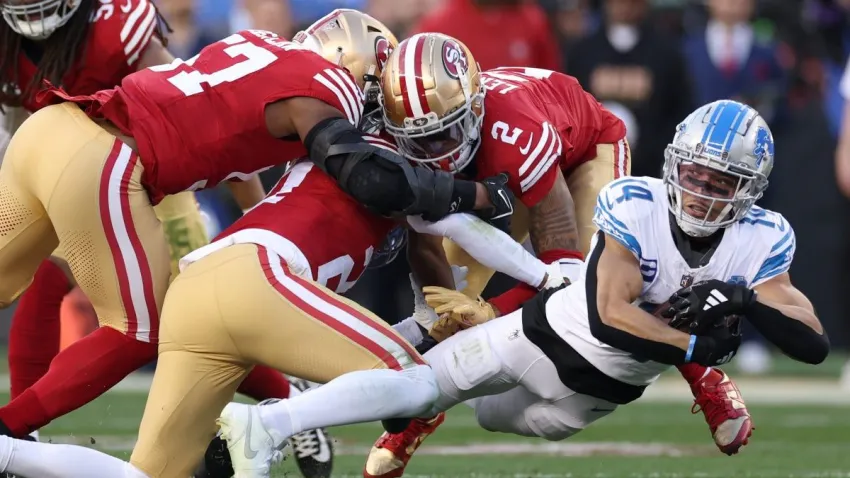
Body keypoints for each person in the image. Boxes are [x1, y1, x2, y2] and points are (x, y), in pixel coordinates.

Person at [206, 100, 827, 478]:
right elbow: (610, 316)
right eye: (693, 174)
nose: (701, 192)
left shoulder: (761, 239)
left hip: (594, 396)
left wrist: (744, 300)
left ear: (750, 191)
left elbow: (812, 345)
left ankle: (425, 414)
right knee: (420, 382)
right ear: (671, 165)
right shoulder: (635, 203)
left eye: (722, 183)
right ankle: (270, 422)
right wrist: (696, 351)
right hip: (546, 333)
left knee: (502, 417)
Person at [0, 13, 510, 460]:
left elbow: (228, 138)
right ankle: (8, 434)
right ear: (359, 68)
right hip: (107, 161)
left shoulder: (256, 47)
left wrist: (259, 215)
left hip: (47, 131)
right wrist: (474, 195)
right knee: (142, 330)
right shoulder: (325, 85)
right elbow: (365, 175)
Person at [0, 138, 558, 478]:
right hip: (257, 279)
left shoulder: (332, 150)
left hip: (200, 288)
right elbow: (459, 222)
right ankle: (267, 422)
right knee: (418, 385)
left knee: (144, 475)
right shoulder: (388, 163)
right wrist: (544, 275)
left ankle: (5, 453)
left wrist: (422, 322)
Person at [367, 32, 754, 478]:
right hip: (500, 178)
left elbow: (563, 274)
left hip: (583, 152)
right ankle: (420, 414)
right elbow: (426, 244)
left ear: (473, 107)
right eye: (423, 140)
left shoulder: (512, 131)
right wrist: (438, 317)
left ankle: (703, 375)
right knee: (449, 307)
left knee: (611, 285)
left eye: (447, 133)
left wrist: (492, 310)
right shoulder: (403, 137)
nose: (437, 153)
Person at [0, 0, 285, 451]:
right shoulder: (8, 40)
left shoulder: (117, 29)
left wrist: (261, 211)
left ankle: (291, 404)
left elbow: (205, 109)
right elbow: (18, 121)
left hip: (152, 180)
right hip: (69, 176)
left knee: (184, 321)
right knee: (39, 284)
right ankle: (18, 440)